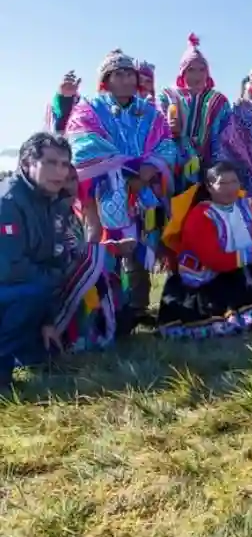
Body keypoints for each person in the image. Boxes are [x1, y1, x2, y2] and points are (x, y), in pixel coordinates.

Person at [67, 50, 178, 327]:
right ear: (106, 80)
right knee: (103, 245)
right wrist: (125, 171)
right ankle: (102, 306)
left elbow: (166, 143)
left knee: (140, 243)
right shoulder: (89, 107)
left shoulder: (150, 112)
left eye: (130, 74)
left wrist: (149, 168)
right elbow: (82, 144)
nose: (126, 79)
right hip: (101, 189)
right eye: (119, 74)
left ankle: (138, 307)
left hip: (142, 190)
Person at [158, 162, 252, 339]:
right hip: (211, 277)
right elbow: (213, 259)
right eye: (222, 183)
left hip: (244, 267)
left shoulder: (249, 205)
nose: (230, 188)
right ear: (209, 187)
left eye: (234, 182)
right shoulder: (200, 215)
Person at [0, 133, 74, 388]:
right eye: (50, 163)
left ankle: (28, 349)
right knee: (33, 291)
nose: (60, 171)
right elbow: (9, 268)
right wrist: (51, 281)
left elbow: (55, 258)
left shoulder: (53, 202)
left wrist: (47, 319)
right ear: (26, 163)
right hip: (12, 287)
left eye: (65, 164)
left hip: (29, 288)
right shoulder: (7, 202)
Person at [48, 163, 127, 353]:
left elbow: (91, 235)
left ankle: (98, 328)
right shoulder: (53, 211)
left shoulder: (72, 208)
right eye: (64, 180)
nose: (70, 185)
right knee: (98, 268)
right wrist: (107, 249)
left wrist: (102, 249)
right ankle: (81, 335)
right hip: (56, 276)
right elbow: (62, 253)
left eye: (73, 179)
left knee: (106, 267)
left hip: (73, 268)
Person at [156, 34, 232, 189]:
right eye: (191, 70)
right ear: (182, 73)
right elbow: (157, 128)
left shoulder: (219, 101)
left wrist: (217, 166)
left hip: (211, 166)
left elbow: (227, 135)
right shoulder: (167, 96)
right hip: (174, 165)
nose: (197, 75)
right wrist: (169, 128)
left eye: (202, 70)